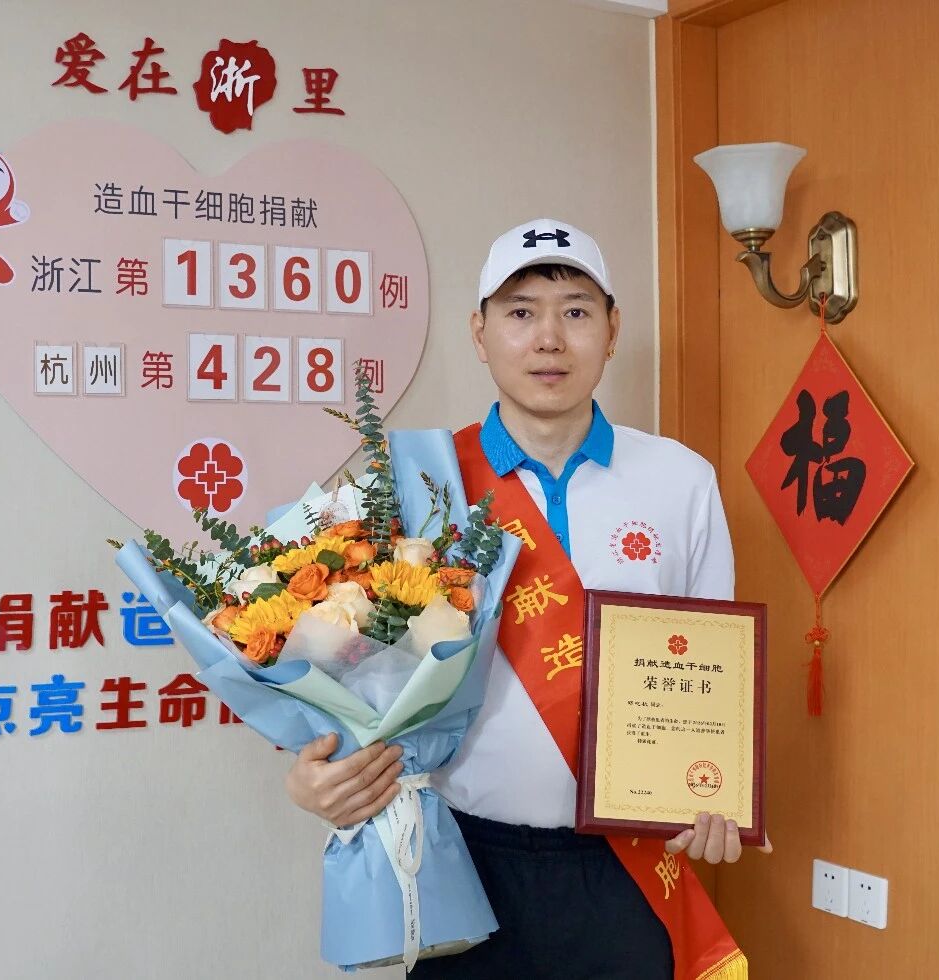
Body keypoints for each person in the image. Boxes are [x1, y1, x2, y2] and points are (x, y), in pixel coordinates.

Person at [286, 219, 770, 977]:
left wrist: (716, 790)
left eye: (576, 311)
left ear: (613, 331)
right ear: (479, 333)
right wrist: (317, 774)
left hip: (629, 870)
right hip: (461, 863)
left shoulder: (681, 481)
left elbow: (714, 680)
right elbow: (334, 658)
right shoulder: (417, 486)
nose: (550, 338)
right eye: (521, 312)